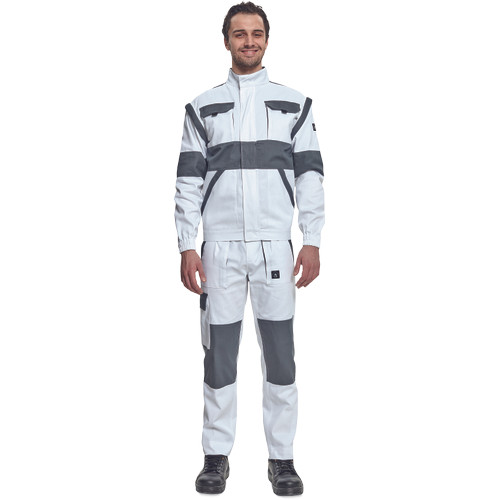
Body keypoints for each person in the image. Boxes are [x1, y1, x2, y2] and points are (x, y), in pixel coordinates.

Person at [174, 2, 324, 495]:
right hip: (218, 252)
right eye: (239, 34)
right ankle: (215, 457)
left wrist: (312, 239)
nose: (249, 41)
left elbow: (311, 177)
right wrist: (187, 245)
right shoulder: (202, 108)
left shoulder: (294, 105)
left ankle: (282, 459)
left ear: (267, 40)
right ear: (226, 41)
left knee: (281, 358)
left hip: (275, 251)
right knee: (218, 360)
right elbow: (187, 182)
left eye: (256, 33)